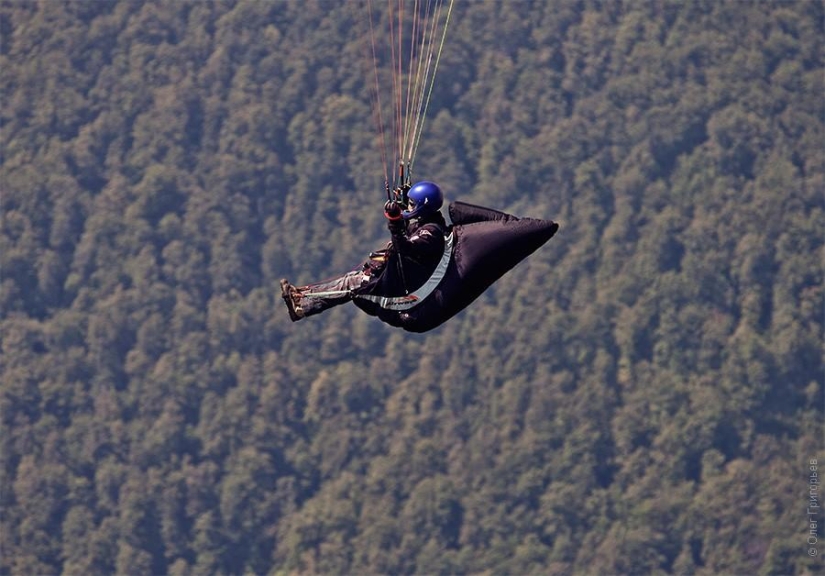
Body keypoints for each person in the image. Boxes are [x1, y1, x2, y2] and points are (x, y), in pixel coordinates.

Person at [280, 181, 447, 322]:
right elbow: (408, 227)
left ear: (422, 207)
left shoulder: (431, 233)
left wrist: (394, 223)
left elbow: (405, 248)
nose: (409, 207)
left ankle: (302, 307)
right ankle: (302, 299)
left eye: (412, 204)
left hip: (400, 285)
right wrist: (401, 205)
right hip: (396, 274)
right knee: (350, 279)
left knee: (351, 284)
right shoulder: (424, 222)